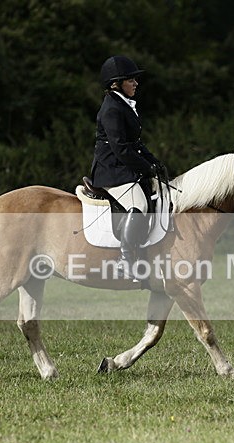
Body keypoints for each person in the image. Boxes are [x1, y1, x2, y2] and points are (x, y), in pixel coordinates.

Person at [90, 55, 164, 280]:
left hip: (122, 168)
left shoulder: (122, 104)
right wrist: (145, 168)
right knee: (139, 204)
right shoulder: (112, 108)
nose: (135, 83)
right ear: (116, 83)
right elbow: (121, 148)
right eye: (130, 80)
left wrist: (154, 163)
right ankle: (125, 259)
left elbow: (136, 144)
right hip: (111, 171)